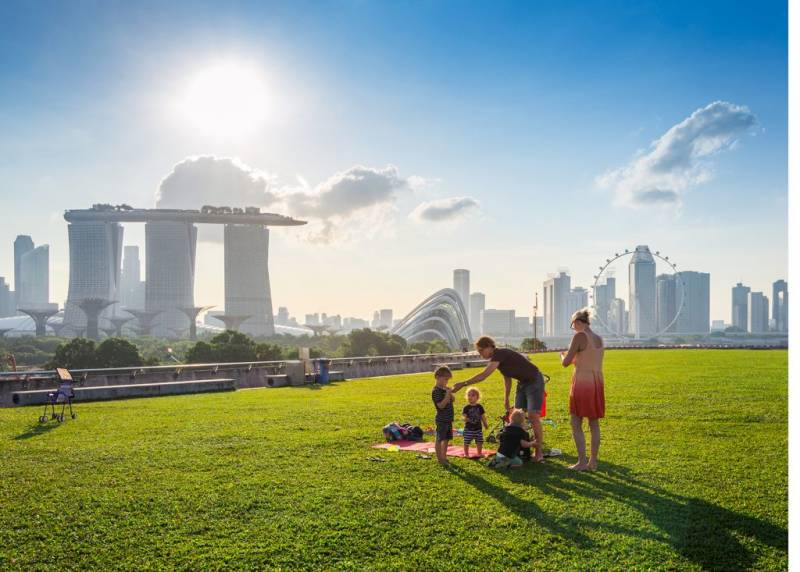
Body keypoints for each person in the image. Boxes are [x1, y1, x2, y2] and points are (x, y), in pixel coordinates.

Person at [459, 336, 546, 462]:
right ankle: (517, 450)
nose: (481, 354)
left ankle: (538, 453)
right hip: (522, 383)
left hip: (534, 381)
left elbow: (484, 375)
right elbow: (507, 379)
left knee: (533, 416)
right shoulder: (499, 359)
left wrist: (463, 383)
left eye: (481, 350)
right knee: (516, 417)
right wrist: (506, 398)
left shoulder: (500, 353)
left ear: (489, 346)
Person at [560, 308, 605, 471]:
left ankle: (581, 462)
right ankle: (593, 462)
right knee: (594, 423)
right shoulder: (599, 338)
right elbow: (589, 358)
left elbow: (566, 362)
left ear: (578, 323)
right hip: (597, 382)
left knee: (575, 421)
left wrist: (562, 357)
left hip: (582, 382)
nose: (573, 328)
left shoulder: (579, 336)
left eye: (572, 325)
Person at [431, 365, 461, 466]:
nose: (447, 382)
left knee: (446, 438)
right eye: (445, 379)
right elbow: (441, 405)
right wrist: (447, 394)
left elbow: (453, 400)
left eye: (448, 380)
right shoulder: (436, 391)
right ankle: (440, 459)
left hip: (448, 419)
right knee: (439, 439)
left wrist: (450, 393)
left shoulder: (444, 389)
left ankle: (444, 457)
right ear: (438, 377)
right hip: (441, 420)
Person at [461, 387, 489, 458]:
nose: (470, 397)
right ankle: (466, 454)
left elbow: (483, 416)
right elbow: (464, 416)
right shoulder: (466, 407)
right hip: (468, 429)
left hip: (478, 429)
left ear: (477, 397)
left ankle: (479, 453)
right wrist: (465, 419)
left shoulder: (480, 407)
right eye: (469, 395)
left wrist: (485, 424)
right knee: (466, 442)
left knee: (479, 442)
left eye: (473, 395)